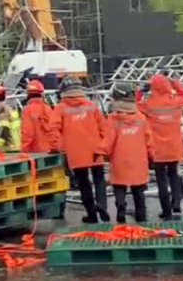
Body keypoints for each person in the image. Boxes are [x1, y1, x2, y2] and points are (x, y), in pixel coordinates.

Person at [51, 76, 109, 222]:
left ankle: (91, 214)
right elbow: (104, 127)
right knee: (99, 179)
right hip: (95, 149)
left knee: (83, 183)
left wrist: (58, 147)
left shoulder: (61, 108)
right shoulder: (91, 105)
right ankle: (102, 205)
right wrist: (104, 146)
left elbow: (53, 130)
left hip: (75, 151)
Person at [139, 73, 183, 220]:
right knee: (174, 174)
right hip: (174, 146)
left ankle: (166, 211)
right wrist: (175, 83)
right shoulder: (175, 102)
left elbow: (134, 105)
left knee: (161, 180)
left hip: (157, 148)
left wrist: (140, 91)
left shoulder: (148, 104)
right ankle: (177, 203)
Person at [105, 82, 154, 223]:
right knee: (138, 190)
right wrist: (152, 155)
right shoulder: (141, 118)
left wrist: (101, 153)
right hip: (138, 158)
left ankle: (121, 207)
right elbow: (148, 139)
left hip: (120, 158)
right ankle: (141, 216)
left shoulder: (113, 119)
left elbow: (108, 141)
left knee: (119, 186)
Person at [21, 79, 54, 153]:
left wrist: (24, 150)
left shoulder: (27, 110)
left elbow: (28, 132)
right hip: (49, 150)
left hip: (35, 151)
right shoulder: (47, 108)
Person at [0, 84, 21, 153]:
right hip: (18, 147)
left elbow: (3, 131)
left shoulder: (2, 114)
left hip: (10, 150)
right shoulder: (10, 110)